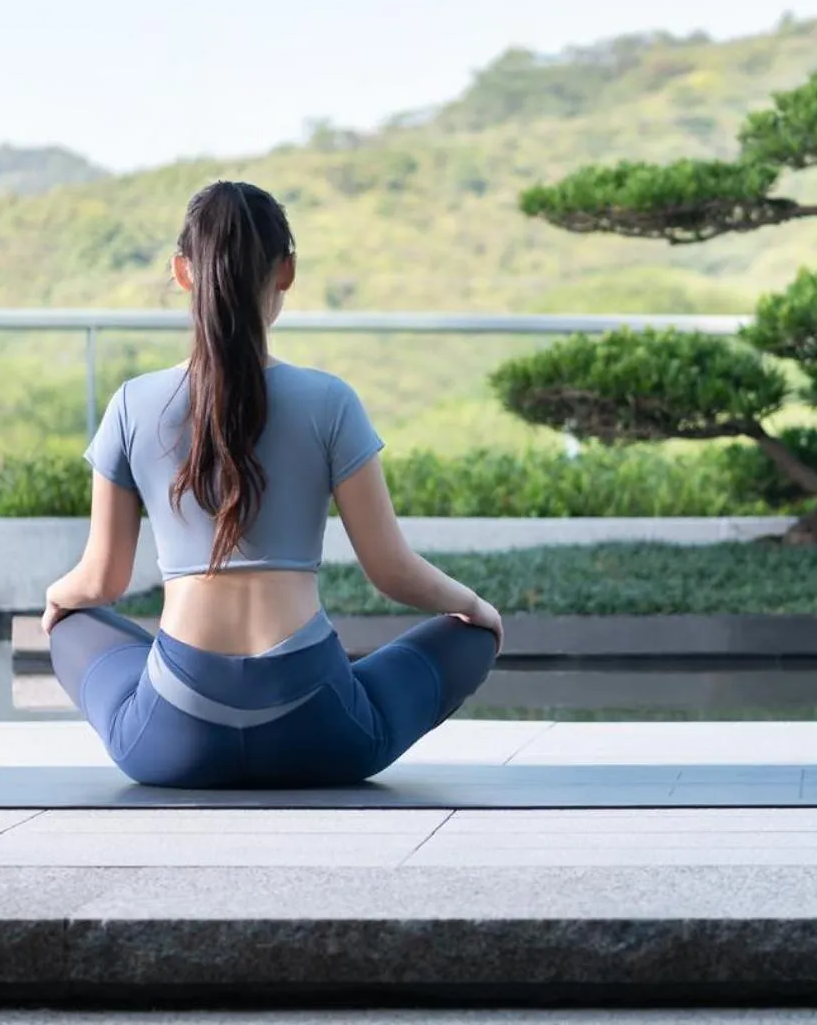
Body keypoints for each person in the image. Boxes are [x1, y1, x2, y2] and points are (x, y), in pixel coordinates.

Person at [40, 180, 502, 788]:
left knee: (72, 621)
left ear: (183, 272)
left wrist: (56, 597)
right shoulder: (330, 400)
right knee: (470, 639)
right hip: (320, 734)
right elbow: (391, 571)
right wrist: (475, 609)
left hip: (174, 740)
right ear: (285, 271)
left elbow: (102, 581)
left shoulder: (132, 403)